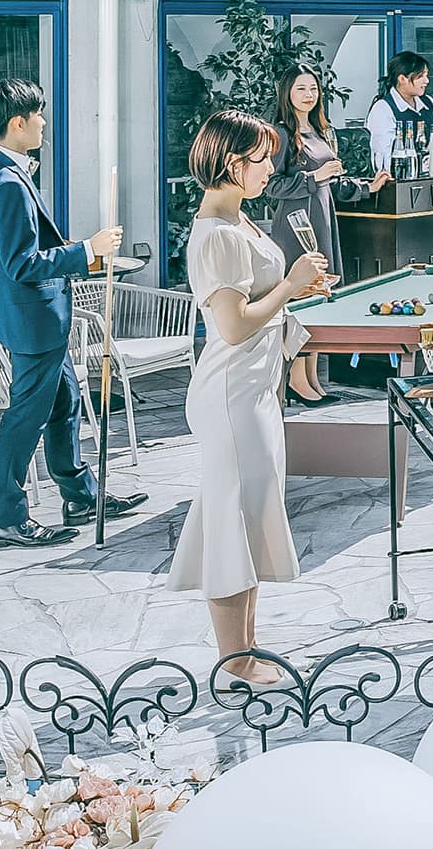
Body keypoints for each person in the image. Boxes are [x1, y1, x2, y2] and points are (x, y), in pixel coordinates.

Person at [0, 78, 144, 550]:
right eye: (38, 114)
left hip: (23, 313)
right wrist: (88, 251)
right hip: (30, 318)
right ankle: (5, 521)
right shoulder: (5, 184)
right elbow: (21, 264)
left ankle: (80, 497)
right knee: (25, 418)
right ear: (17, 123)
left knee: (65, 404)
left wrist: (79, 251)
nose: (44, 121)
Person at [173, 110, 326, 686]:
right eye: (261, 160)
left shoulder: (238, 220)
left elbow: (259, 305)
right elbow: (234, 326)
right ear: (231, 162)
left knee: (249, 514)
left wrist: (293, 292)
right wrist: (290, 285)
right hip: (232, 394)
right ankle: (234, 660)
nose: (269, 169)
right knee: (230, 521)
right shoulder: (217, 234)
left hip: (254, 390)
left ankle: (247, 647)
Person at [262, 66, 382, 405]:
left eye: (313, 88)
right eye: (301, 89)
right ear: (287, 93)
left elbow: (334, 182)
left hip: (323, 222)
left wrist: (367, 187)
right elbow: (271, 186)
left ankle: (311, 378)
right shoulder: (281, 134)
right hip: (297, 225)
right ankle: (296, 380)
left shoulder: (320, 130)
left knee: (319, 298)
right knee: (302, 299)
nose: (308, 95)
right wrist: (314, 177)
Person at [362, 50, 433, 152]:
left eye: (426, 75)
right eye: (420, 76)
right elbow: (381, 152)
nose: (426, 81)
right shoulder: (383, 109)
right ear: (402, 79)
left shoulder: (429, 103)